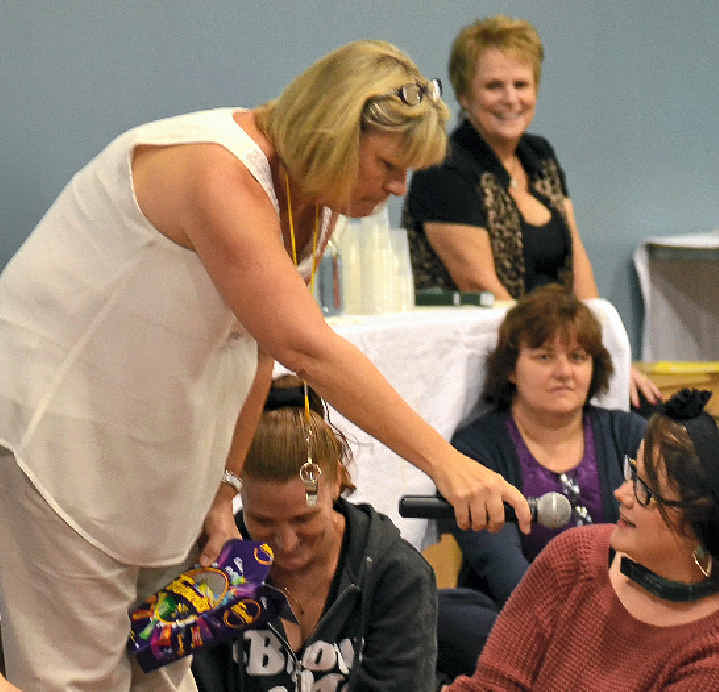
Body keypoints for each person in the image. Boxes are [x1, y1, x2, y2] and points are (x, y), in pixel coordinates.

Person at [0, 40, 532, 692]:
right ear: (335, 135)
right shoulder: (213, 170)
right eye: (390, 165)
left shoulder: (312, 200)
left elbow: (258, 348)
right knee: (76, 681)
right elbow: (307, 346)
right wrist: (446, 465)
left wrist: (222, 492)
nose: (399, 189)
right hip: (56, 447)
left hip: (158, 467)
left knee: (164, 669)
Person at [446, 388, 719, 690]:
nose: (621, 494)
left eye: (645, 490)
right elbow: (491, 686)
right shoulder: (576, 556)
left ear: (702, 524)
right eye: (633, 472)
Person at [402, 15, 661, 408]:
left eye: (521, 85)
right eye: (493, 86)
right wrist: (561, 363)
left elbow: (577, 261)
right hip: (494, 364)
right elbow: (482, 288)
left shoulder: (539, 156)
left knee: (657, 416)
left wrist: (605, 354)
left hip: (558, 354)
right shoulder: (444, 168)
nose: (511, 99)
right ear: (465, 97)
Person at [437, 284, 647, 678]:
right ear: (511, 369)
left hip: (625, 611)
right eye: (544, 356)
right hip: (518, 617)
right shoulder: (476, 448)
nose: (564, 372)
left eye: (578, 357)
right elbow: (500, 565)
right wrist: (572, 632)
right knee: (442, 613)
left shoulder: (629, 435)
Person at [192, 375, 437, 691]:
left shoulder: (397, 575)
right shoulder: (215, 568)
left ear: (338, 481)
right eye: (263, 522)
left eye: (304, 519)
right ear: (236, 495)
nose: (286, 542)